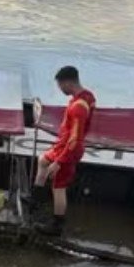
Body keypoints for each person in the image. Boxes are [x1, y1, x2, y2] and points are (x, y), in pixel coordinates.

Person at [29, 65, 96, 236]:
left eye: (60, 85)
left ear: (67, 82)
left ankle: (56, 226)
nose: (59, 89)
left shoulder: (78, 107)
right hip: (62, 144)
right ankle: (36, 199)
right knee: (43, 160)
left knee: (59, 186)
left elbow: (76, 138)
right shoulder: (87, 96)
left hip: (69, 149)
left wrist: (59, 162)